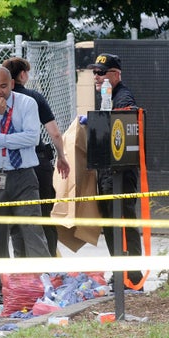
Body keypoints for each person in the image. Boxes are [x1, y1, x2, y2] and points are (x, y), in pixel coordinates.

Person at [0, 67, 51, 305]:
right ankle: (1, 288)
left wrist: (0, 140)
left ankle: (44, 283)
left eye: (3, 86)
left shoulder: (27, 103)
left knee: (32, 231)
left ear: (12, 84)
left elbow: (32, 138)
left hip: (24, 175)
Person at [2, 57, 70, 258]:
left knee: (16, 218)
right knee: (43, 213)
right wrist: (61, 156)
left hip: (8, 165)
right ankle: (47, 263)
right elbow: (55, 133)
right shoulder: (34, 97)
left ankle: (23, 268)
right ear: (22, 74)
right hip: (37, 162)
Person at [86, 53, 143, 289]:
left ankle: (131, 276)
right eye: (95, 73)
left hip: (120, 172)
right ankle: (122, 273)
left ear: (115, 74)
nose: (97, 77)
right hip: (109, 171)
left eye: (101, 73)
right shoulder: (107, 95)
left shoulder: (123, 97)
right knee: (111, 224)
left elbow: (124, 124)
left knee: (122, 221)